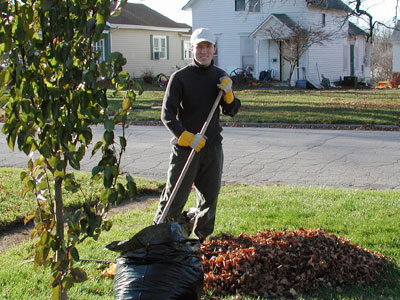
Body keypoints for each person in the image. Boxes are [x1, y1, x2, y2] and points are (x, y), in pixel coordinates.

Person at [153, 28, 241, 240]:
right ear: (191, 49)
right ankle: (160, 240)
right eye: (199, 47)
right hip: (185, 149)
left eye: (207, 47)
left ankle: (201, 241)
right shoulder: (180, 78)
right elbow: (167, 115)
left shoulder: (220, 77)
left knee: (209, 200)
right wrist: (187, 137)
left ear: (214, 49)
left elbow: (232, 110)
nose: (204, 51)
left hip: (212, 149)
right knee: (174, 197)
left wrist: (229, 95)